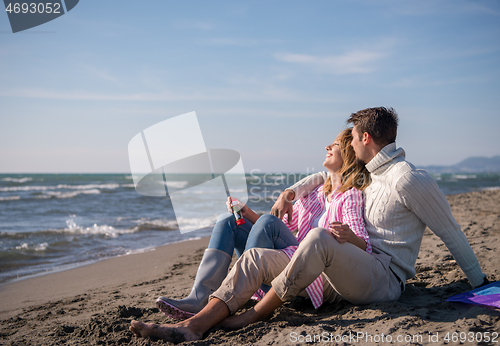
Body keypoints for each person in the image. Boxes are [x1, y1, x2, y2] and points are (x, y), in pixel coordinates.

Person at [130, 107, 487, 343]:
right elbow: (326, 174)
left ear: (365, 138)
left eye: (352, 137)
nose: (346, 144)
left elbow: (451, 232)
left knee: (316, 235)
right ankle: (194, 326)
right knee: (254, 257)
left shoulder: (408, 179)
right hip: (344, 268)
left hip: (384, 279)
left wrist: (483, 287)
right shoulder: (367, 175)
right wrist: (291, 190)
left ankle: (253, 313)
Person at [156, 128, 369, 320]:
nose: (328, 147)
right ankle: (200, 297)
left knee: (268, 220)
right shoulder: (314, 193)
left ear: (349, 154)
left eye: (336, 144)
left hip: (305, 272)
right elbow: (277, 233)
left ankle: (247, 291)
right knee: (227, 221)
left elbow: (365, 246)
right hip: (283, 257)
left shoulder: (350, 196)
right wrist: (247, 213)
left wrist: (347, 236)